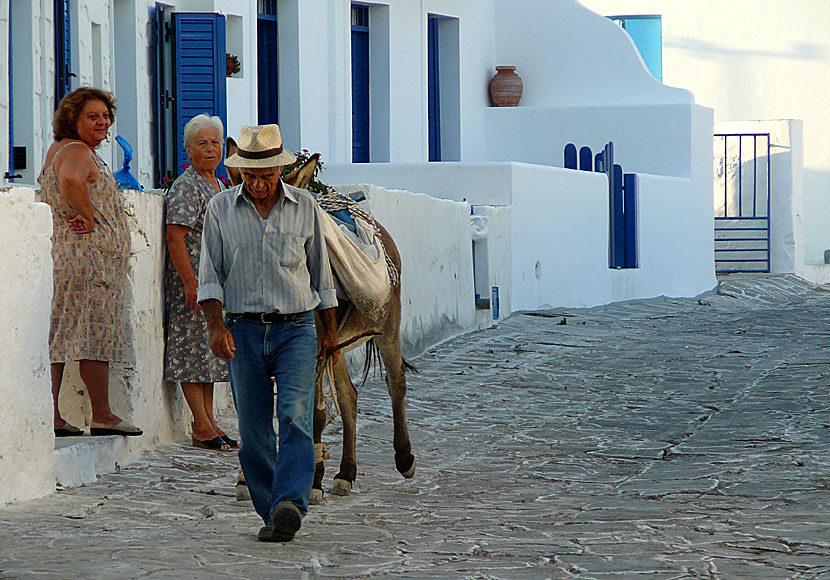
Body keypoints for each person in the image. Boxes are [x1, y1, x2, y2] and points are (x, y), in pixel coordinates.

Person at [198, 124, 340, 542]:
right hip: (241, 329)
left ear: (281, 170)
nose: (258, 185)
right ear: (240, 172)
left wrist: (329, 335)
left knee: (295, 416)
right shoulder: (220, 210)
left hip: (296, 329)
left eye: (267, 176)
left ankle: (291, 503)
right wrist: (215, 327)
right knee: (254, 430)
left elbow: (322, 277)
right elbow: (210, 276)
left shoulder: (306, 207)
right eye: (250, 177)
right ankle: (272, 512)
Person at [38, 86, 142, 438]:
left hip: (72, 256)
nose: (102, 122)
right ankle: (102, 415)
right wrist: (88, 214)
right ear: (73, 120)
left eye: (105, 115)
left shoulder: (61, 149)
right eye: (92, 116)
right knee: (93, 336)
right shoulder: (77, 151)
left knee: (62, 335)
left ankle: (52, 415)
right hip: (89, 260)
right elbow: (69, 178)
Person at [164, 114, 234, 451]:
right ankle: (201, 425)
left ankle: (208, 422)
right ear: (188, 150)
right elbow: (175, 237)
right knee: (191, 353)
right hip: (192, 284)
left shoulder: (219, 185)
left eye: (215, 142)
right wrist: (191, 283)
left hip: (213, 285)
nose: (210, 149)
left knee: (207, 354)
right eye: (202, 143)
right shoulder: (187, 185)